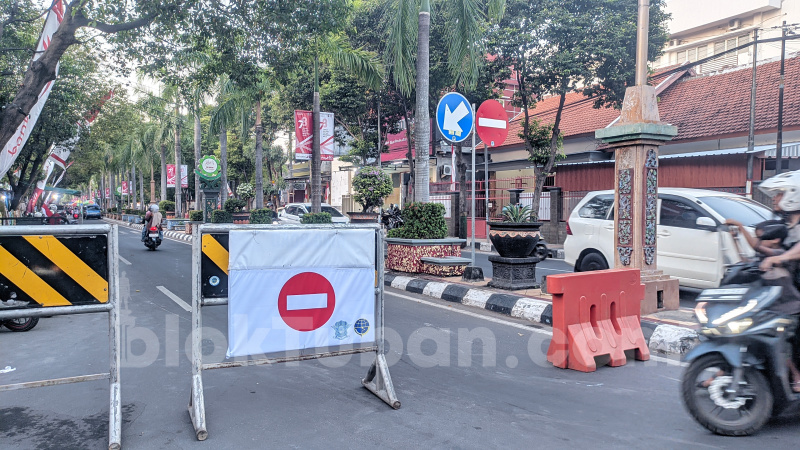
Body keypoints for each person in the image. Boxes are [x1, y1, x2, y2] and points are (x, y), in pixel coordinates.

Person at [752, 171, 800, 392]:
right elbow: (774, 246)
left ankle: (797, 376)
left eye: (779, 194)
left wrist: (778, 258)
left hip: (795, 289)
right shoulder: (786, 223)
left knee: (792, 332)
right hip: (790, 287)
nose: (774, 198)